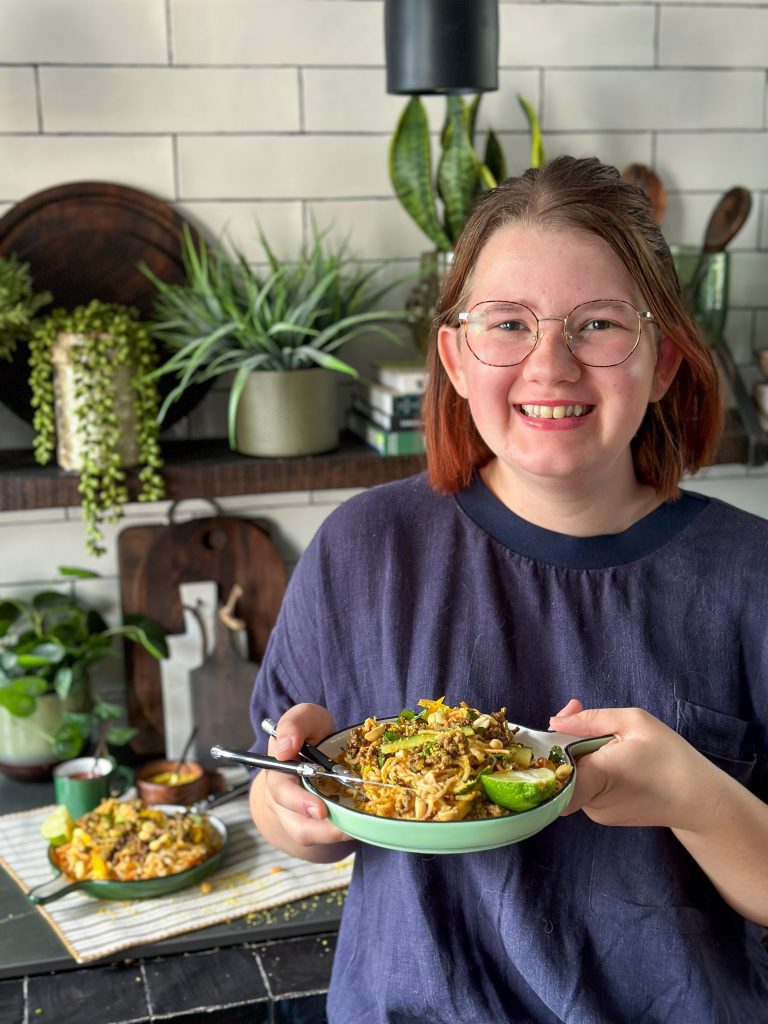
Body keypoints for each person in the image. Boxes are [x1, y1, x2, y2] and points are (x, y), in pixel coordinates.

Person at [248, 156, 768, 1023]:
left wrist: (695, 796)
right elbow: (274, 786)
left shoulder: (750, 576)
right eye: (508, 324)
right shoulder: (363, 551)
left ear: (666, 360)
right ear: (455, 357)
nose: (551, 365)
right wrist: (290, 807)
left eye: (599, 324)